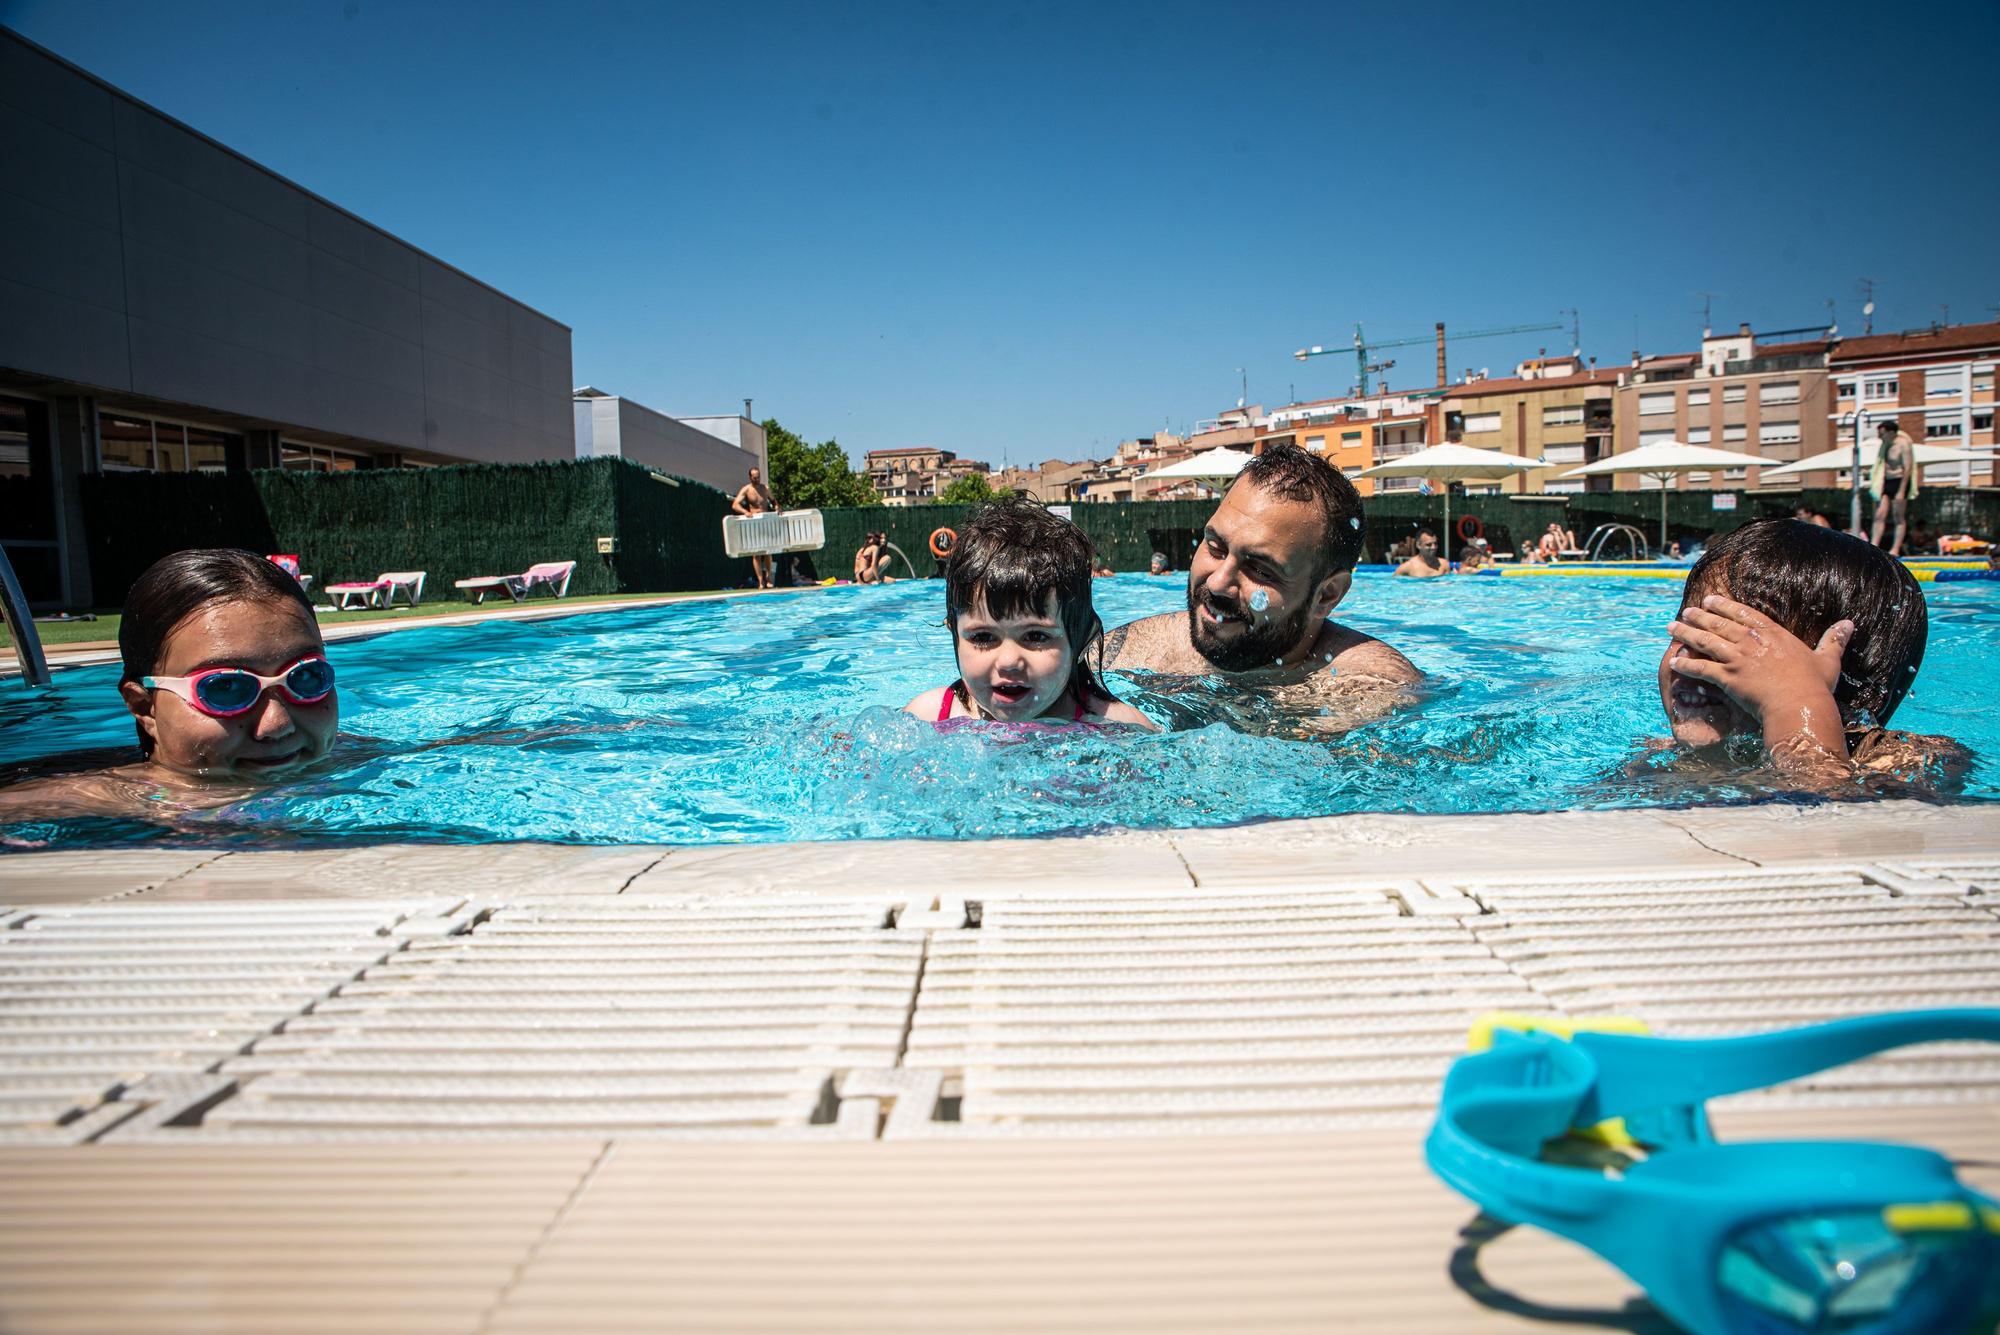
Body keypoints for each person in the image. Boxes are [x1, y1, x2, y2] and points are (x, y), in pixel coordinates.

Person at [0, 548, 339, 823]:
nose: (276, 725)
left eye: (306, 677)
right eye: (225, 688)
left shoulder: (360, 758)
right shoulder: (67, 804)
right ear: (144, 707)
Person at [1101, 443, 1420, 712]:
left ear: (1326, 595)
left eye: (1260, 570)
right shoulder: (1141, 650)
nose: (1217, 583)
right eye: (1215, 547)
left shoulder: (1371, 689)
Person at [1656, 518, 1962, 789]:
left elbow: (1825, 832)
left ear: (1840, 675)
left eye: (1731, 643)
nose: (1689, 660)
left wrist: (1795, 704)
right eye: (1689, 630)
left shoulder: (1907, 759)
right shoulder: (1667, 755)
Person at [903, 497, 1153, 728]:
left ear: (1083, 640)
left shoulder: (1117, 727)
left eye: (1036, 636)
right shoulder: (927, 718)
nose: (1009, 661)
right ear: (954, 634)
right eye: (982, 637)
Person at [1868, 420, 1917, 555]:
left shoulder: (1904, 444)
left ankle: (1895, 548)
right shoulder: (1886, 445)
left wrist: (1901, 490)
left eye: (1882, 434)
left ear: (1891, 432)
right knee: (1879, 515)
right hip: (1887, 482)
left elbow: (1908, 468)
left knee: (1898, 517)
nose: (1880, 437)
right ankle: (1874, 545)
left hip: (1900, 481)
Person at [732, 465, 779, 590]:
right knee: (756, 554)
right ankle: (760, 581)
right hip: (754, 522)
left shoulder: (765, 488)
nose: (757, 480)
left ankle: (768, 578)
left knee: (768, 551)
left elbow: (774, 501)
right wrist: (745, 512)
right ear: (750, 477)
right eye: (754, 478)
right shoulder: (746, 490)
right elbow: (735, 505)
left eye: (758, 477)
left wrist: (777, 507)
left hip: (766, 521)